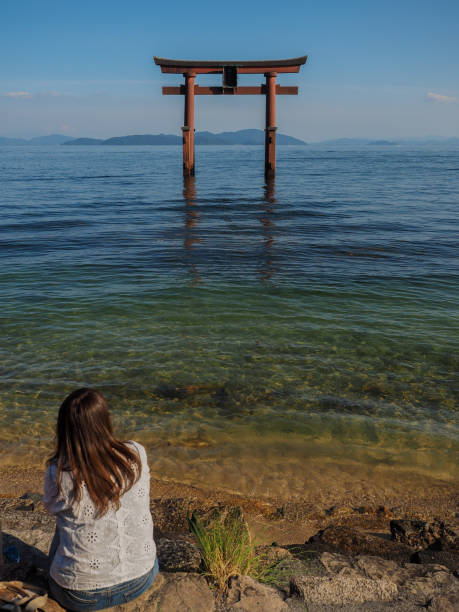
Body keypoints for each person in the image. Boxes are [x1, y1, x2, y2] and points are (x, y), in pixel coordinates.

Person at [43, 388, 158, 611]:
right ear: (105, 421)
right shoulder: (135, 453)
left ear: (65, 429)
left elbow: (50, 506)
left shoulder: (59, 472)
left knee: (65, 522)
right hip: (140, 579)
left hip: (79, 595)